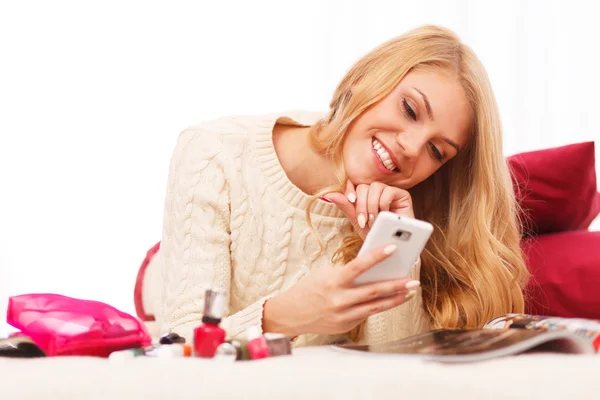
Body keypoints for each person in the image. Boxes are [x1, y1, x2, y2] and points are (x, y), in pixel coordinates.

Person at [150, 24, 530, 347]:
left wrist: (391, 251)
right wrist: (282, 315)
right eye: (410, 109)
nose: (412, 148)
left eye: (436, 150)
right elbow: (179, 344)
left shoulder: (409, 209)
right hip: (187, 262)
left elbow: (396, 367)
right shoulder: (213, 153)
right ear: (363, 77)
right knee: (153, 281)